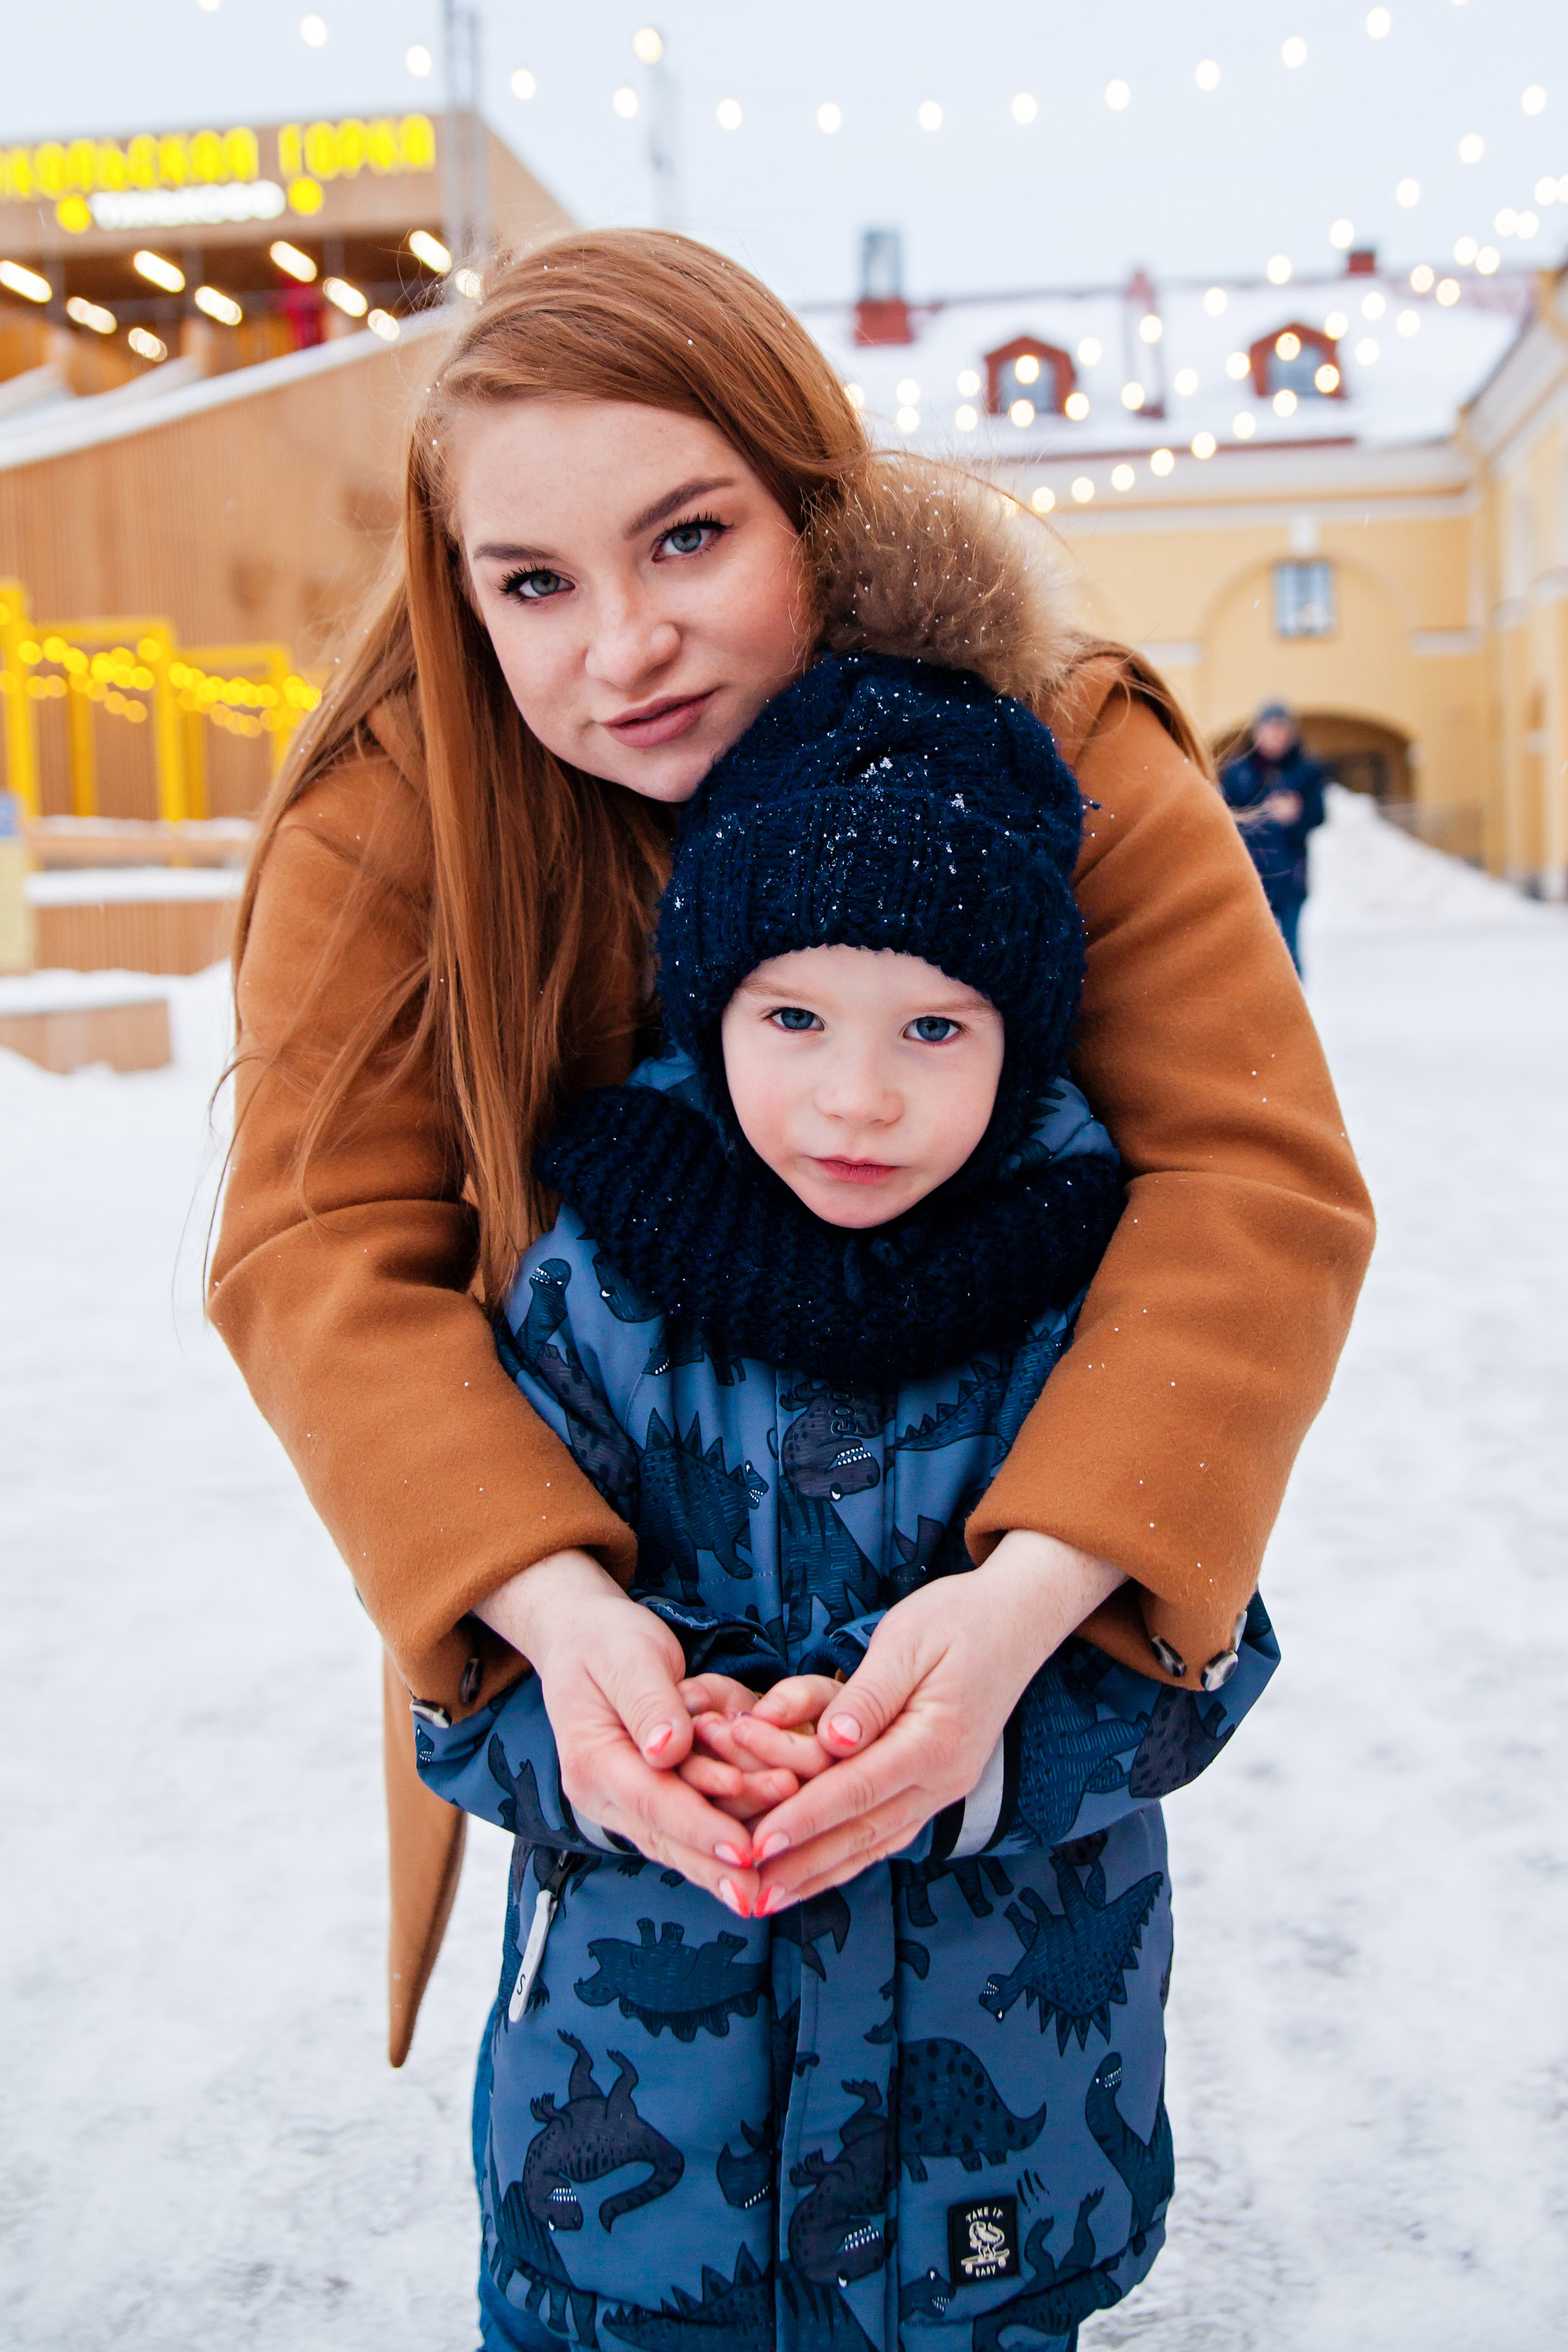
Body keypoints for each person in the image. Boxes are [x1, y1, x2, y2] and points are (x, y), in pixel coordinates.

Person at [209, 232, 1370, 2094]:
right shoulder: (403, 812)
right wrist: (549, 1602)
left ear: (812, 502)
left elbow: (1254, 1182)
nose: (625, 642)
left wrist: (1025, 1597)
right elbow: (314, 1239)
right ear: (463, 593)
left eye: (688, 538)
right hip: (607, 1684)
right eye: (533, 579)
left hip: (993, 1645)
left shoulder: (1056, 743)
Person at [416, 644, 1282, 2346]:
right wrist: (651, 1747)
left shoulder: (1097, 1296)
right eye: (794, 1018)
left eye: (935, 1028)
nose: (859, 1095)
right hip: (640, 2181)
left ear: (1019, 1037)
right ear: (707, 1009)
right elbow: (459, 1688)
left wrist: (969, 1767)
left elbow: (1207, 1651)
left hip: (1005, 2160)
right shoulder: (591, 1294)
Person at [1220, 700, 1327, 973]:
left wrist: (1298, 815)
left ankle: (1293, 1013)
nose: (1275, 736)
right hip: (1251, 877)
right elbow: (1224, 819)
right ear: (1257, 732)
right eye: (1269, 729)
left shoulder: (1305, 770)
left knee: (1290, 954)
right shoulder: (1238, 772)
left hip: (1291, 877)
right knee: (1253, 956)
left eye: (1281, 729)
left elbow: (1320, 816)